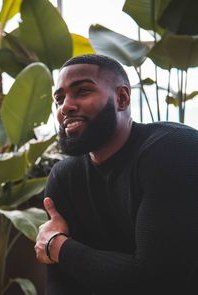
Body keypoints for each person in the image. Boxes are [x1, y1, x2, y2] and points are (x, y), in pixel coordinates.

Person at [34, 54, 198, 294]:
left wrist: (58, 247)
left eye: (82, 92)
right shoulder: (64, 176)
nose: (65, 106)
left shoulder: (174, 149)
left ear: (121, 98)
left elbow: (157, 280)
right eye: (59, 99)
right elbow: (61, 283)